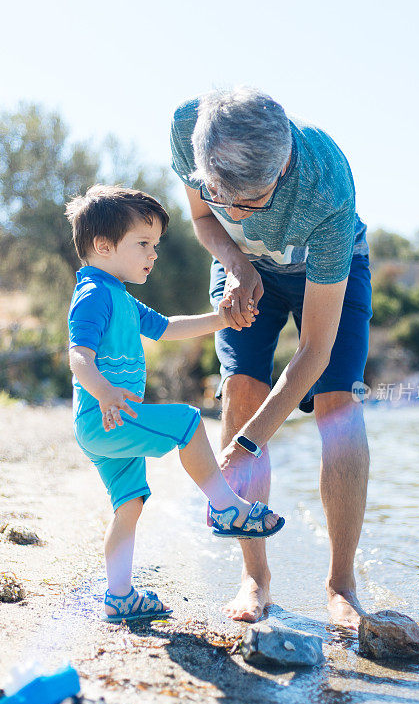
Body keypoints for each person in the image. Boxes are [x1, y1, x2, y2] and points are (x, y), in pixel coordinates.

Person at [170, 88, 373, 628]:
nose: (234, 211)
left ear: (282, 170)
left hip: (324, 268)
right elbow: (203, 218)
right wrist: (236, 261)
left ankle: (341, 586)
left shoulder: (325, 187)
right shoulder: (188, 128)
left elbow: (314, 352)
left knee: (338, 408)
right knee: (241, 390)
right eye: (224, 195)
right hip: (241, 267)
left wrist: (248, 444)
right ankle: (255, 579)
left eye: (251, 201)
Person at [65, 185, 284, 623]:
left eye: (156, 245)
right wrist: (105, 392)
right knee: (187, 421)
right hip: (105, 417)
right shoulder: (93, 295)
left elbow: (166, 328)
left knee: (129, 505)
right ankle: (225, 504)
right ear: (103, 246)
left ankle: (119, 595)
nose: (153, 254)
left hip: (107, 424)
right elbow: (77, 357)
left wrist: (221, 319)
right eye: (143, 244)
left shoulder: (121, 297)